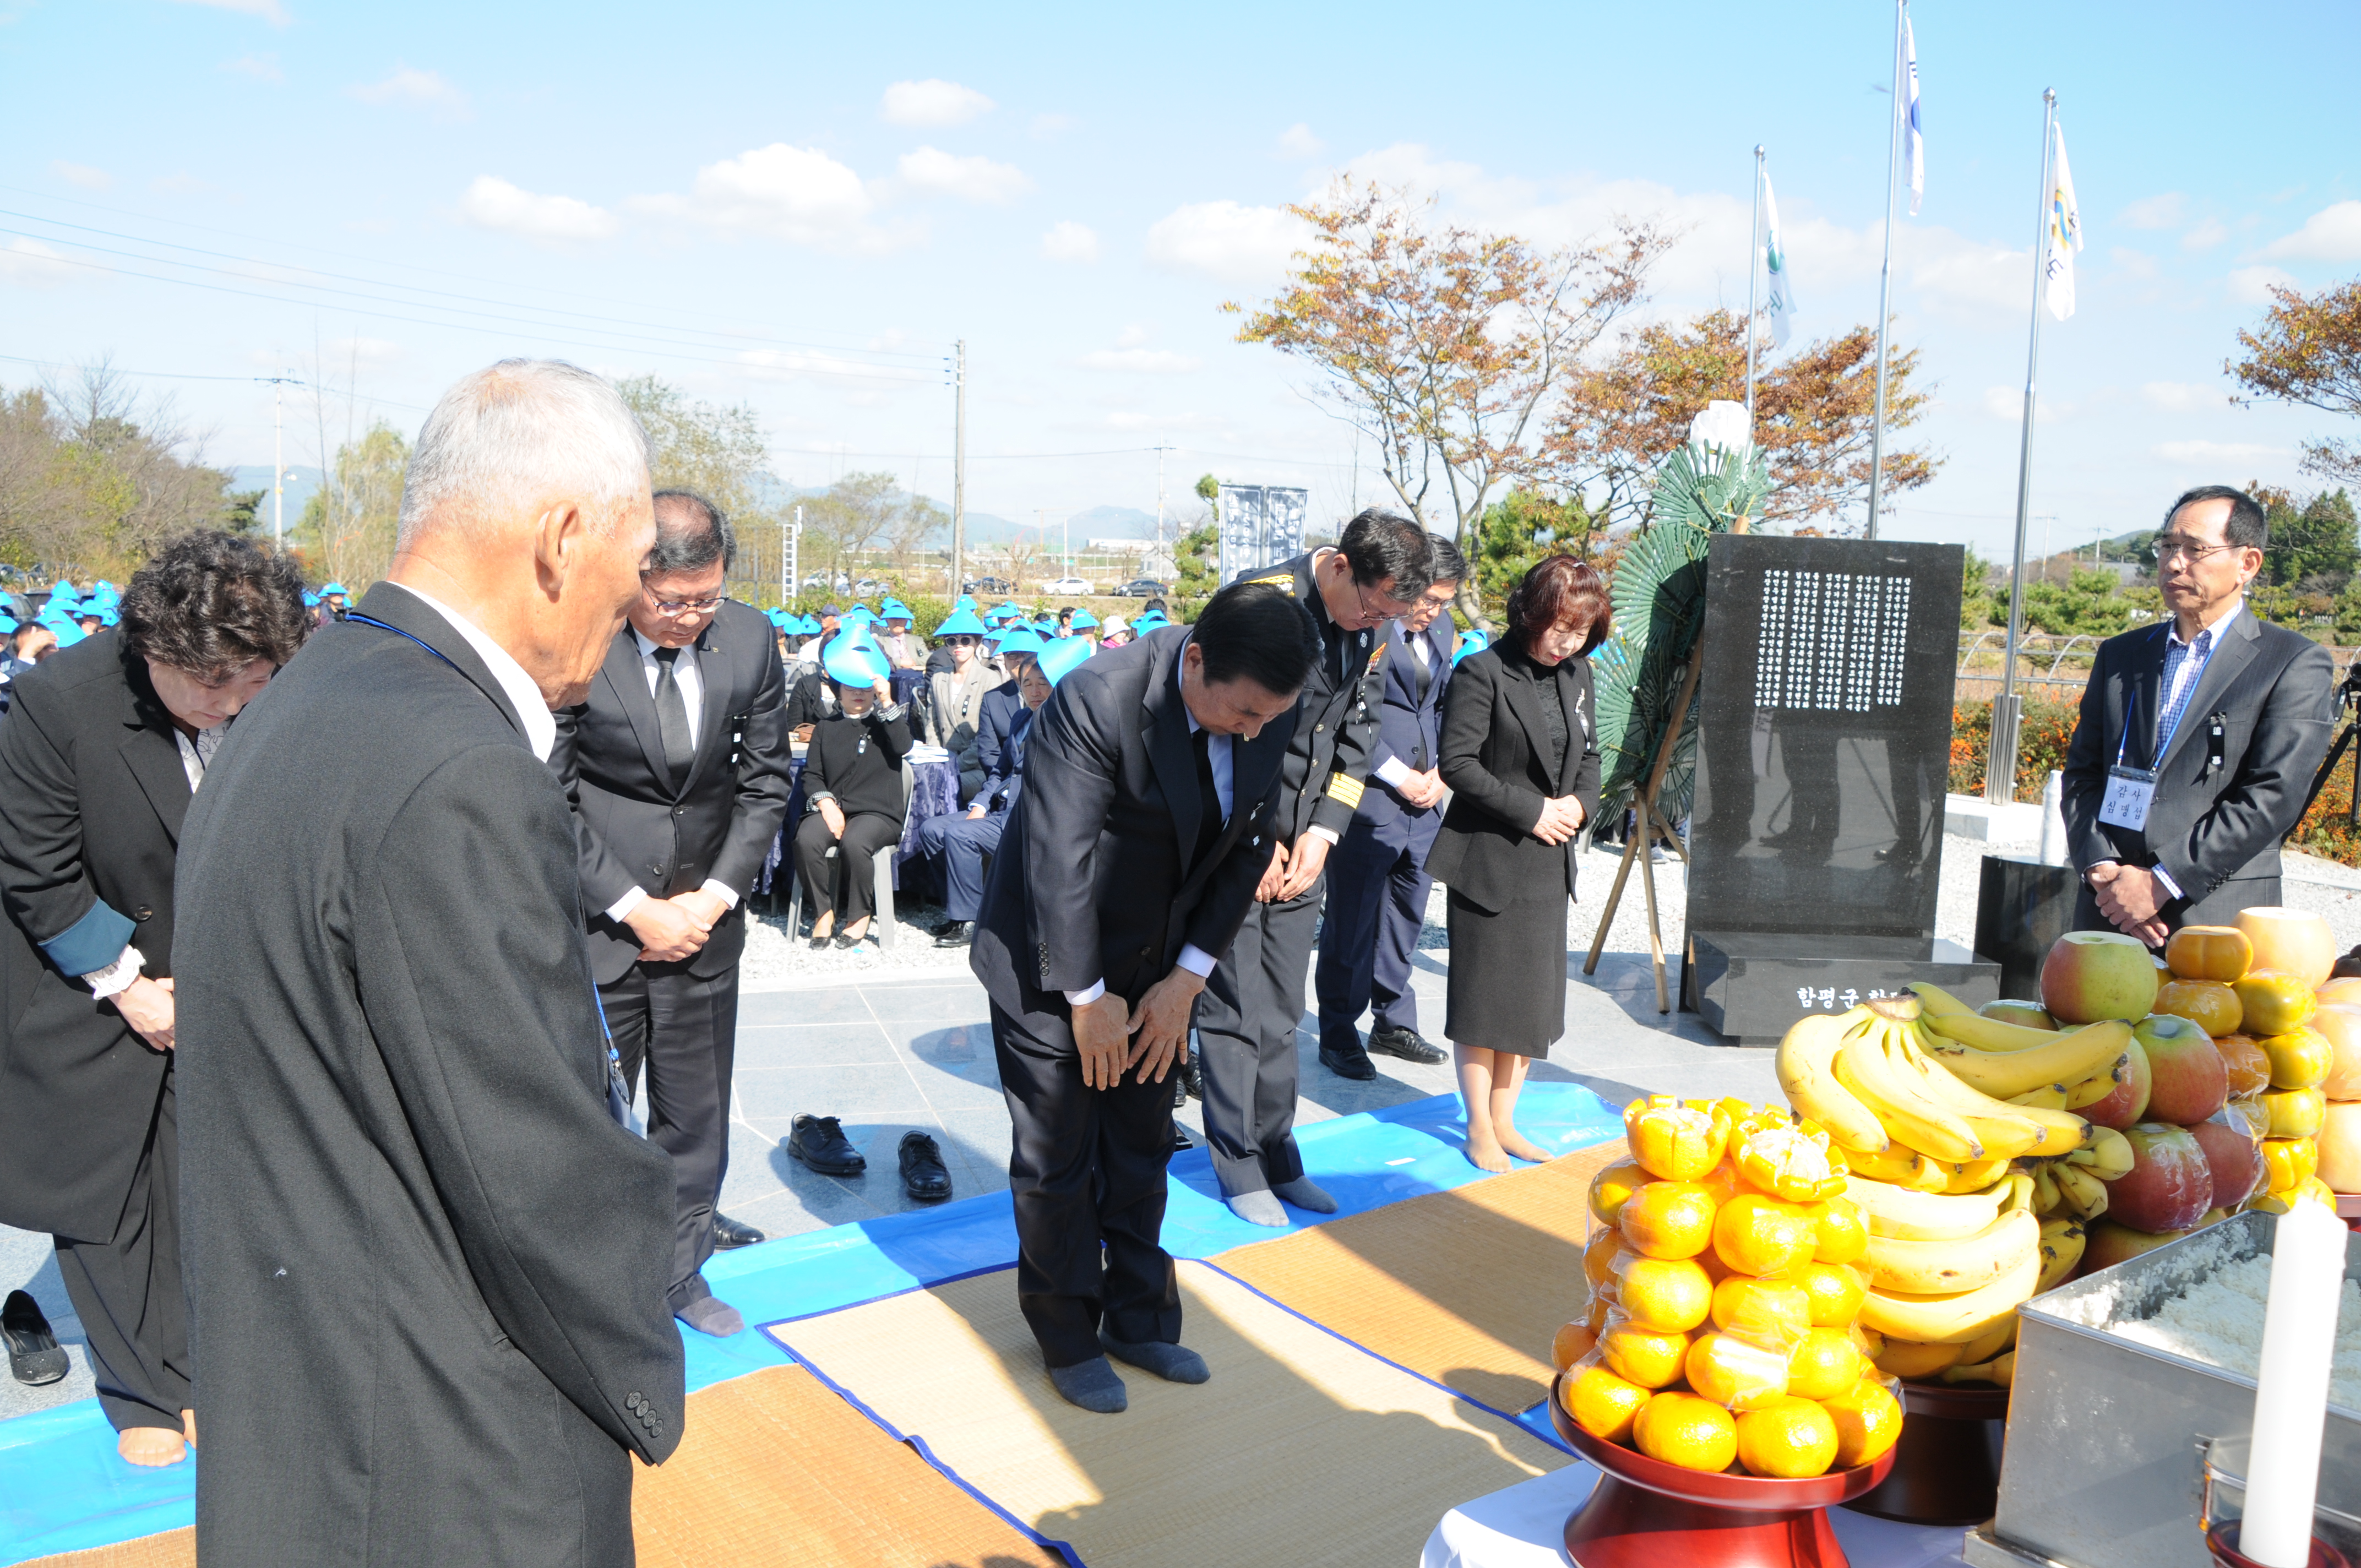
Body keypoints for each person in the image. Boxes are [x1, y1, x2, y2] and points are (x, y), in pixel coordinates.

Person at [173, 359, 684, 1565]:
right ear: (562, 539)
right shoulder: (457, 766)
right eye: (617, 606)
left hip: (305, 1406)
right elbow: (532, 1165)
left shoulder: (306, 700)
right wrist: (642, 1361)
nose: (608, 647)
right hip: (443, 1457)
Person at [969, 582, 1319, 1412]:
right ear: (1194, 659)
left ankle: (1139, 1318)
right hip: (1054, 963)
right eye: (1240, 714)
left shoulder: (1267, 704)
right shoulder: (1101, 698)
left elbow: (1249, 846)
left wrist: (1187, 980)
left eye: (1270, 717)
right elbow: (1058, 860)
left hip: (1161, 961)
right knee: (1059, 1156)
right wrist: (1087, 999)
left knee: (1139, 1142)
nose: (1256, 730)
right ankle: (1065, 1334)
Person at [0, 530, 306, 1467]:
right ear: (155, 649)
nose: (231, 705)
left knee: (215, 1186)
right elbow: (36, 869)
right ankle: (141, 1391)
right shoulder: (58, 702)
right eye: (211, 685)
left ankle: (212, 1367)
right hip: (86, 978)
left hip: (222, 972)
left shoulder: (271, 690)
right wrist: (130, 985)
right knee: (113, 1198)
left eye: (251, 682)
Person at [550, 489, 795, 1338]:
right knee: (590, 1122)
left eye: (707, 600)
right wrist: (632, 906)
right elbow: (553, 792)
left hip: (704, 923)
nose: (691, 618)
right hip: (602, 925)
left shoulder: (754, 639)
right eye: (670, 602)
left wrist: (711, 898)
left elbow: (766, 782)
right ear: (635, 578)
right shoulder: (584, 636)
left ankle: (680, 1276)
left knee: (695, 1119)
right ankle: (593, 1294)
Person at [1191, 508, 1430, 1225]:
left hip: (1307, 851)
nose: (1370, 622)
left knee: (1284, 1007)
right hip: (1242, 843)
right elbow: (1220, 731)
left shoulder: (1371, 625)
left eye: (1385, 615)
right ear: (1337, 568)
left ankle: (1278, 1151)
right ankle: (1238, 1165)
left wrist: (1325, 832)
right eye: (1367, 605)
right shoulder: (1259, 602)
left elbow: (1357, 730)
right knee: (1234, 1007)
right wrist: (1253, 841)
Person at [2061, 485, 2337, 940]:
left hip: (2218, 918)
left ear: (2247, 564)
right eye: (2168, 546)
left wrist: (2163, 880)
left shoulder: (2290, 661)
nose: (2173, 562)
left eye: (2195, 549)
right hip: (2108, 911)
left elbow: (2274, 794)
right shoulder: (2122, 654)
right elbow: (2084, 773)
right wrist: (2099, 865)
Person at [1426, 555, 1606, 1172]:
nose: (1568, 642)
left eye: (1581, 632)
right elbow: (1458, 764)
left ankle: (1507, 1120)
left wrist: (1581, 805)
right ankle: (1478, 1125)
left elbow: (1591, 756)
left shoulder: (1579, 675)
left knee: (1530, 1002)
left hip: (1548, 862)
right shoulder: (1481, 671)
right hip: (1490, 856)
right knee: (1483, 1002)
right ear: (1531, 612)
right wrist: (1532, 811)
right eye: (1560, 627)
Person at [1314, 533, 1466, 1079]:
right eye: (1425, 599)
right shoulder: (1369, 626)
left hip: (1425, 800)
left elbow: (1448, 705)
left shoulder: (1443, 630)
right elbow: (1347, 717)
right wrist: (1401, 776)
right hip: (1370, 796)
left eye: (1443, 603)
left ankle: (1393, 1020)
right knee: (1351, 921)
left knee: (1407, 914)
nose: (1431, 611)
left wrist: (1442, 774)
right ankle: (1338, 1030)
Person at [790, 629, 916, 951]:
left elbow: (903, 746)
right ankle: (823, 912)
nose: (858, 694)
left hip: (878, 814)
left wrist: (887, 700)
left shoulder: (886, 723)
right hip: (836, 808)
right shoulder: (826, 729)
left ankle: (859, 914)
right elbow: (812, 777)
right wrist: (827, 805)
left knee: (856, 842)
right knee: (806, 839)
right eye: (850, 688)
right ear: (838, 691)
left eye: (864, 689)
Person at [927, 655, 1051, 949]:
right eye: (1027, 684)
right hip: (998, 807)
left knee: (959, 834)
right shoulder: (1020, 719)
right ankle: (959, 910)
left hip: (1024, 815)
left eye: (1042, 684)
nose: (1034, 691)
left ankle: (972, 921)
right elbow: (1001, 770)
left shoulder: (1059, 725)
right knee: (932, 830)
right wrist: (980, 805)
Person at [924, 606, 996, 778]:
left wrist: (957, 764)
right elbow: (931, 723)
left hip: (977, 767)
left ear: (977, 642)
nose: (958, 646)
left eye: (965, 640)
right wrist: (938, 757)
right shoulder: (938, 678)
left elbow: (987, 735)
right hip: (943, 760)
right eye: (951, 641)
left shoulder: (989, 679)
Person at [878, 598, 928, 669]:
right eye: (893, 619)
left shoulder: (917, 641)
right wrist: (900, 663)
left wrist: (912, 662)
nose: (897, 622)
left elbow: (928, 658)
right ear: (887, 621)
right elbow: (877, 660)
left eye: (901, 619)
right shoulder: (879, 642)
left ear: (907, 621)